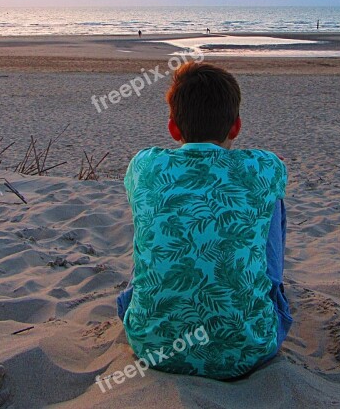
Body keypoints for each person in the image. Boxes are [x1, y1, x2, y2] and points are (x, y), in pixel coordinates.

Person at [116, 62, 291, 380]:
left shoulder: (144, 165)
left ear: (173, 128)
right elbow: (275, 173)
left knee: (153, 220)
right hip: (248, 350)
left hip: (150, 346)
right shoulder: (264, 166)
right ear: (235, 127)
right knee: (270, 200)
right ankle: (260, 295)